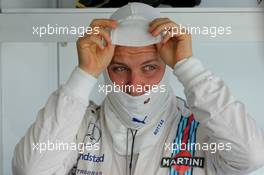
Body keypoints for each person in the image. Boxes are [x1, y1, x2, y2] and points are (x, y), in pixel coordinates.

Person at [12, 2, 264, 175]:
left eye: (149, 68)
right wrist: (84, 74)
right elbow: (31, 169)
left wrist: (189, 68)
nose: (135, 85)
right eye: (120, 69)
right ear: (104, 70)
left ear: (167, 67)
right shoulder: (78, 128)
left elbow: (251, 155)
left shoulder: (200, 130)